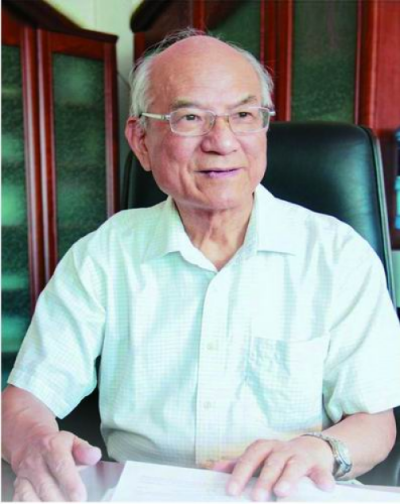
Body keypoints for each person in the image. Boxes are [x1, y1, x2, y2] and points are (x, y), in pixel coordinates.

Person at [2, 29, 400, 502]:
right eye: (190, 117)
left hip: (285, 495)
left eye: (244, 115)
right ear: (141, 140)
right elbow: (25, 398)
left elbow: (376, 423)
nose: (223, 141)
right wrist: (32, 444)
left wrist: (322, 450)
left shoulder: (337, 256)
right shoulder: (104, 255)